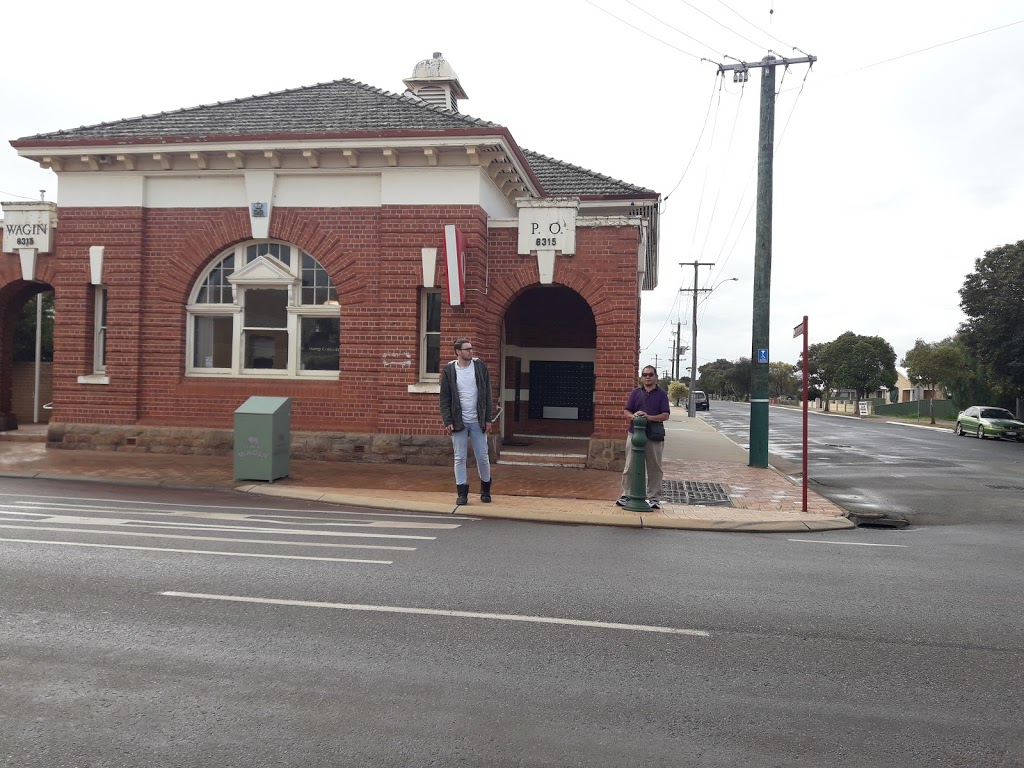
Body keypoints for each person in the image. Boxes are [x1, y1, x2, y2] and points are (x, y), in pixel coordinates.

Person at [440, 337, 493, 505]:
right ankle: (462, 493)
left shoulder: (480, 367)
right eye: (467, 349)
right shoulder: (449, 370)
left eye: (471, 348)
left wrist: (488, 418)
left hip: (478, 421)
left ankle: (485, 490)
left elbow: (487, 394)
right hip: (458, 421)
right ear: (458, 352)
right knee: (459, 458)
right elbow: (445, 398)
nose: (471, 351)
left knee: (482, 456)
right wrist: (448, 420)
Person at [616, 365, 670, 509]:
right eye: (645, 375)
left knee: (655, 467)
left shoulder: (662, 394)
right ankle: (626, 494)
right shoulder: (635, 393)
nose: (647, 377)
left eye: (650, 374)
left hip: (653, 435)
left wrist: (649, 417)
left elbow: (666, 415)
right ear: (641, 377)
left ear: (655, 377)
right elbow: (626, 411)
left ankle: (654, 498)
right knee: (629, 465)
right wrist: (633, 416)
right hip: (634, 434)